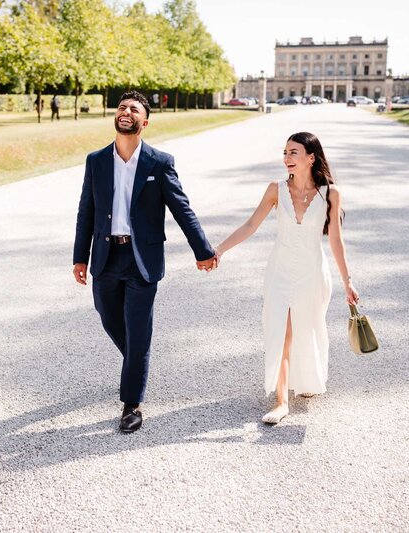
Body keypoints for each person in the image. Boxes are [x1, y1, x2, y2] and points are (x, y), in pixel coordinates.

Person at [72, 90, 218, 433]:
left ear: (144, 122)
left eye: (133, 109)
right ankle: (137, 363)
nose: (125, 111)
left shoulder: (159, 162)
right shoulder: (96, 161)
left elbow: (182, 209)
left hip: (142, 260)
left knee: (138, 331)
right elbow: (86, 211)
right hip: (106, 257)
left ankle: (131, 403)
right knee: (109, 319)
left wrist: (203, 250)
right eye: (122, 107)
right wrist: (80, 256)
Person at [214, 132, 359, 425]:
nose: (286, 159)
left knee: (308, 328)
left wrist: (348, 282)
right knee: (282, 331)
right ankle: (281, 402)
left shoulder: (331, 193)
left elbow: (336, 242)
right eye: (285, 153)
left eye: (294, 153)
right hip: (279, 271)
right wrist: (218, 250)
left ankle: (305, 379)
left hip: (312, 273)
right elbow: (250, 225)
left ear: (311, 158)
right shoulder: (275, 189)